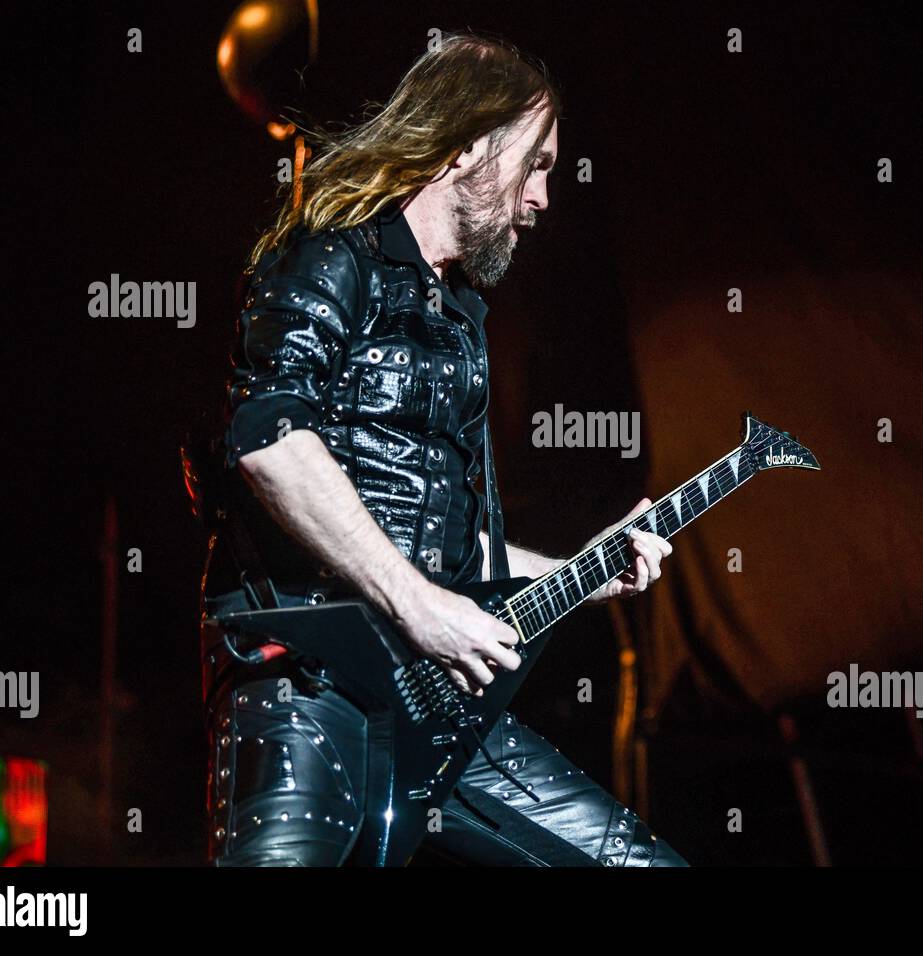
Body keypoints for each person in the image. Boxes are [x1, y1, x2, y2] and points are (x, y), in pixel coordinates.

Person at [195, 32, 687, 866]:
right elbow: (266, 440)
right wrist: (418, 607)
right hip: (309, 684)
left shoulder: (460, 321)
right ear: (467, 148)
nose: (541, 200)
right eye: (534, 166)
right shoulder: (330, 252)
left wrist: (579, 570)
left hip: (435, 703)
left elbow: (458, 550)